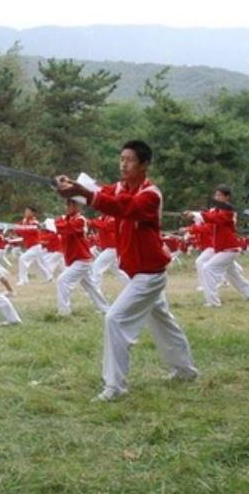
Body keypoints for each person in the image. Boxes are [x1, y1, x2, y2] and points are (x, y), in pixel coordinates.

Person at [55, 142, 201, 401]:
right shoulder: (121, 187)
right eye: (121, 159)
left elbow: (123, 208)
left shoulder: (150, 195)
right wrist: (70, 189)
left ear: (144, 165)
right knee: (164, 323)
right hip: (138, 271)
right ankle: (185, 371)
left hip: (149, 273)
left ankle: (115, 387)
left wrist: (84, 193)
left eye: (130, 160)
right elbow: (103, 193)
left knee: (114, 319)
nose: (123, 164)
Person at [196, 187, 249, 306]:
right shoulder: (215, 210)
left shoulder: (228, 211)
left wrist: (199, 214)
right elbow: (208, 224)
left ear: (227, 197)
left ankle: (213, 302)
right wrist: (193, 221)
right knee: (234, 276)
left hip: (230, 248)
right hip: (222, 249)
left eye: (220, 195)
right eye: (216, 195)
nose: (217, 197)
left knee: (208, 268)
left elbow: (213, 219)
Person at [53, 199, 109, 317]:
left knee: (62, 281)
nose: (69, 207)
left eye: (72, 205)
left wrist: (57, 223)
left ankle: (64, 312)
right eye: (68, 204)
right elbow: (59, 227)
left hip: (81, 259)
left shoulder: (80, 220)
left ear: (79, 207)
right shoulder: (66, 219)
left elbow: (66, 228)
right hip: (75, 259)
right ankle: (106, 309)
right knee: (91, 287)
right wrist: (58, 223)